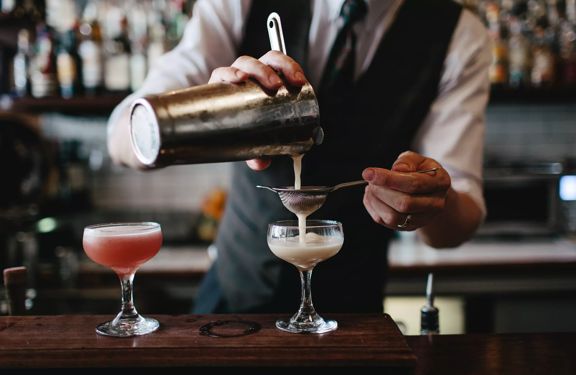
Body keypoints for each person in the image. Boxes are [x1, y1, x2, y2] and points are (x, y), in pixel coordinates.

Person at [107, 0, 491, 314]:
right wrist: (200, 113)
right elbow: (121, 134)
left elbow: (461, 218)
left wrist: (431, 202)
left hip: (352, 315)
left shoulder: (459, 34)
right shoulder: (240, 4)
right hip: (232, 302)